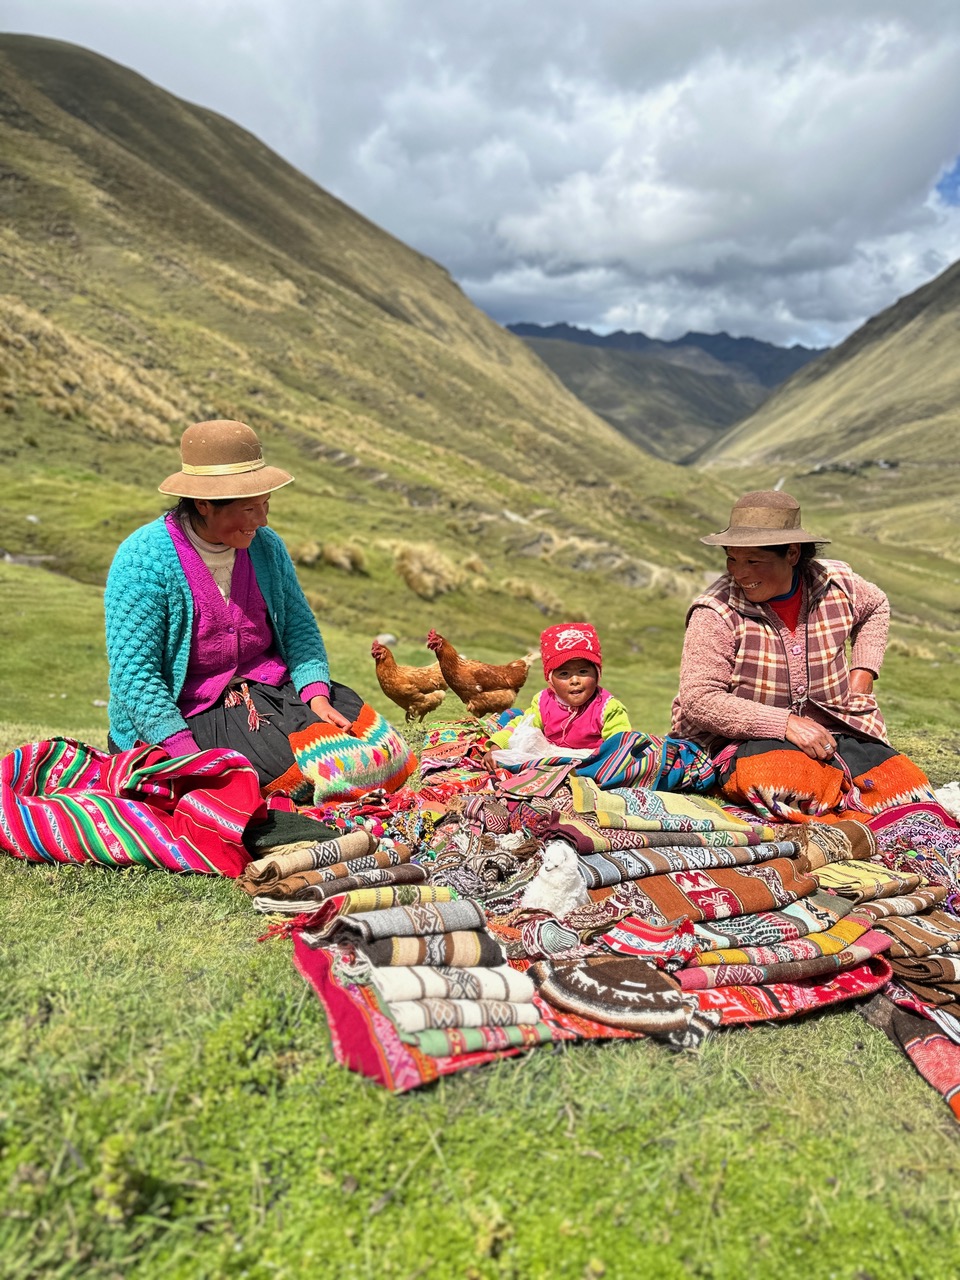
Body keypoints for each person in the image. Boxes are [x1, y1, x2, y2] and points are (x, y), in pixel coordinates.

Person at [104, 419, 365, 790]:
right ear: (204, 503)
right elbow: (135, 678)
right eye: (248, 510)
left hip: (267, 689)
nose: (261, 521)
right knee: (321, 773)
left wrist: (316, 694)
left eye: (265, 505)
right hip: (189, 712)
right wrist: (181, 750)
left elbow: (298, 627)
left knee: (372, 743)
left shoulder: (266, 546)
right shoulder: (143, 560)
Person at [671, 489, 935, 821]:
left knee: (905, 788)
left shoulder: (836, 585)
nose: (740, 573)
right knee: (780, 781)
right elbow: (699, 699)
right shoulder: (715, 611)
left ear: (792, 553)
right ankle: (844, 820)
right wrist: (784, 724)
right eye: (732, 558)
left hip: (838, 727)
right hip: (747, 738)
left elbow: (876, 606)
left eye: (754, 561)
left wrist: (864, 670)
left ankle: (852, 808)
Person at [489, 623, 631, 754]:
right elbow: (521, 728)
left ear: (597, 674)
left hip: (592, 760)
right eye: (564, 674)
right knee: (513, 716)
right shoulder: (543, 703)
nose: (575, 680)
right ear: (551, 680)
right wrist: (498, 746)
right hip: (550, 757)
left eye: (583, 672)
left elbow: (620, 742)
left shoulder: (608, 708)